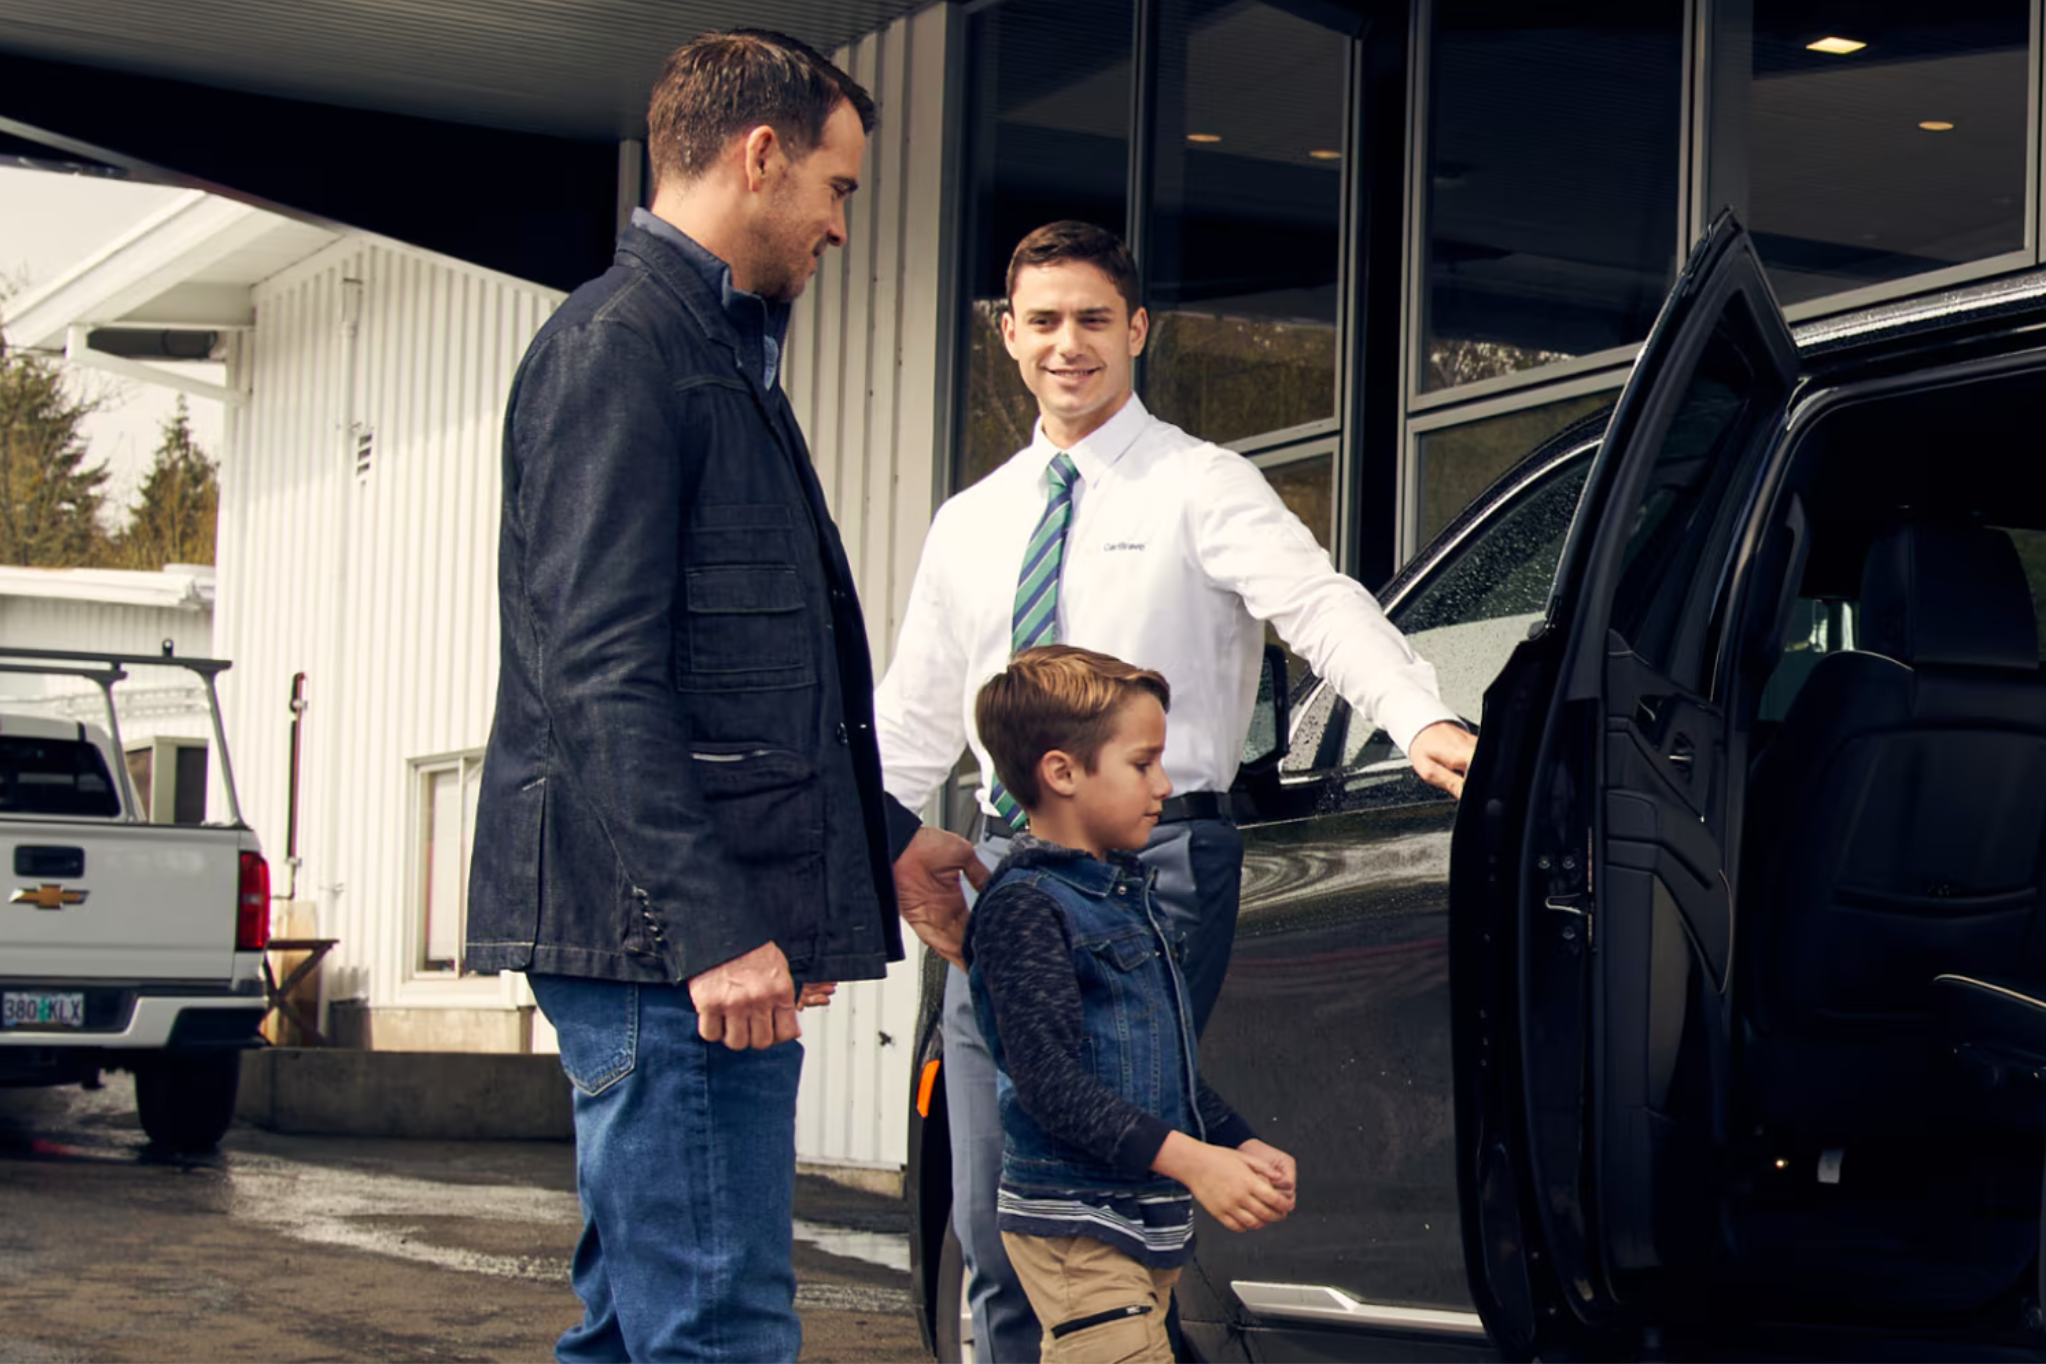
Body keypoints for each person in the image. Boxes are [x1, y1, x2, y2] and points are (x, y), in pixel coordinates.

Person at [874, 219, 1477, 1361]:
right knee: (992, 1214)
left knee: (1105, 1199)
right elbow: (910, 718)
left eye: (1094, 319)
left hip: (1152, 873)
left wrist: (1419, 714)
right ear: (1007, 335)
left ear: (1138, 330)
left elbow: (1318, 603)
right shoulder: (972, 522)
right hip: (1003, 867)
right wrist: (879, 854)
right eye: (1043, 321)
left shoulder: (1202, 485)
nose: (1069, 345)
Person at [463, 30, 978, 1363]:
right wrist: (707, 926)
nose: (840, 226)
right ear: (760, 155)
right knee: (717, 1329)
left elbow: (731, 685)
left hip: (678, 944)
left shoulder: (704, 348)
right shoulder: (625, 349)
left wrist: (882, 839)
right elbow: (599, 669)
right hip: (666, 955)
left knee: (640, 1326)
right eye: (839, 187)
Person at [967, 645, 1298, 1364]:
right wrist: (1193, 1163)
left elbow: (1159, 1061)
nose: (1164, 784)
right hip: (1077, 1227)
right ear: (1062, 773)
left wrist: (1235, 1139)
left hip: (1135, 1221)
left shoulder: (1123, 901)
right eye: (1142, 764)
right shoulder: (1025, 908)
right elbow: (1050, 1085)